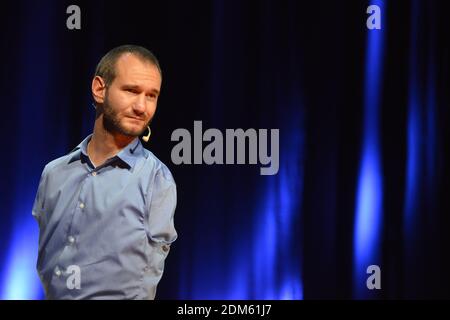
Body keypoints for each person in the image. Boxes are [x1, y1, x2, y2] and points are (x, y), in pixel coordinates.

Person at [32, 45, 177, 299]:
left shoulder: (156, 179)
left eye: (151, 96)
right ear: (100, 89)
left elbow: (147, 278)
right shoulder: (54, 174)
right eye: (132, 91)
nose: (142, 107)